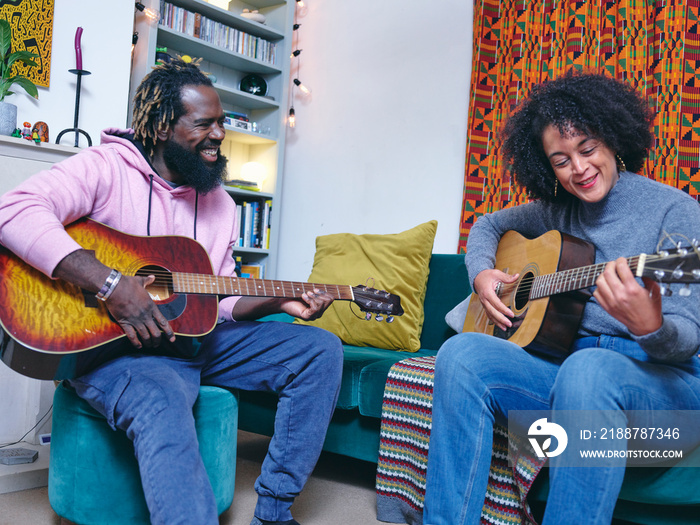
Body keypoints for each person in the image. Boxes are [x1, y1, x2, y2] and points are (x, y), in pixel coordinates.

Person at [0, 59, 344, 525]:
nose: (221, 134)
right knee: (162, 398)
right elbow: (14, 210)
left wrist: (276, 300)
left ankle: (275, 511)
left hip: (193, 339)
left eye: (222, 123)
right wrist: (110, 283)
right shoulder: (106, 168)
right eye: (205, 124)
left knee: (319, 349)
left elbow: (217, 299)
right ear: (162, 126)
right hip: (114, 350)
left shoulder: (221, 201)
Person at [423, 70, 700, 524]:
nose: (580, 168)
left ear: (613, 139)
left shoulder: (676, 211)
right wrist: (481, 275)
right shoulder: (556, 211)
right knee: (461, 354)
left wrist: (650, 325)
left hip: (665, 394)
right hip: (570, 377)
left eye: (588, 149)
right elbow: (488, 224)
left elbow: (686, 340)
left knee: (587, 370)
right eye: (561, 160)